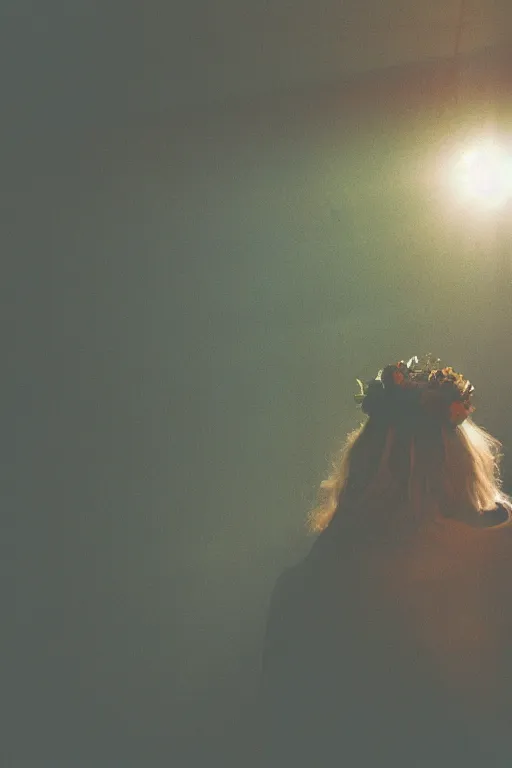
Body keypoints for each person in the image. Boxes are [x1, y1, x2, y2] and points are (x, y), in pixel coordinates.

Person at [258, 355, 512, 767]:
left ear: (364, 464)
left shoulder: (308, 585)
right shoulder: (501, 554)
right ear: (465, 464)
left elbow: (281, 728)